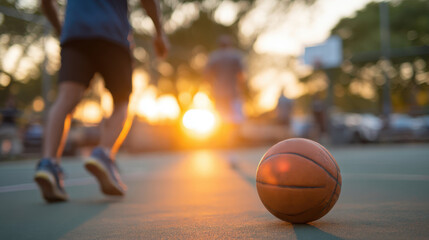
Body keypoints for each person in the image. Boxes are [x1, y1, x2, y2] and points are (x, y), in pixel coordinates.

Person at [35, 0, 169, 202]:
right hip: (112, 33)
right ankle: (103, 153)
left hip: (75, 33)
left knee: (66, 99)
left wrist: (62, 29)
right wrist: (159, 32)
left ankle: (48, 164)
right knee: (122, 102)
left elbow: (45, 2)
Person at [204, 35, 246, 139]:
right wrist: (242, 87)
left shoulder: (214, 57)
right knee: (236, 117)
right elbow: (241, 74)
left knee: (221, 117)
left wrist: (211, 87)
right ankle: (235, 139)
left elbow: (206, 75)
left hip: (218, 92)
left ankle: (222, 139)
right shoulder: (235, 56)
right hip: (233, 92)